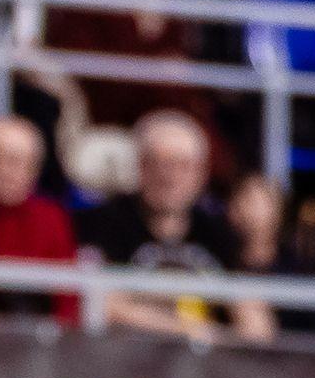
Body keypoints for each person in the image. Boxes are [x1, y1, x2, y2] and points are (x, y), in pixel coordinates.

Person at [76, 111, 273, 341]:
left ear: (202, 173)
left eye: (184, 166)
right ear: (140, 166)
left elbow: (257, 325)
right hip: (125, 356)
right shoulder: (103, 222)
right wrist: (192, 332)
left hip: (207, 360)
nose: (171, 177)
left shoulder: (219, 230)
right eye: (161, 163)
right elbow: (102, 307)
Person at [0, 113, 75, 321]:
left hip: (43, 334)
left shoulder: (52, 217)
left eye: (17, 162)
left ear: (35, 169)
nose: (5, 171)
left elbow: (68, 299)